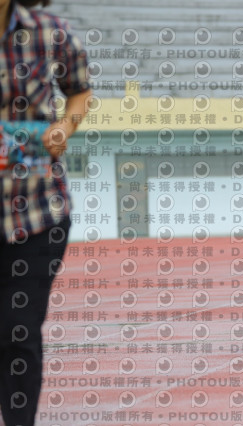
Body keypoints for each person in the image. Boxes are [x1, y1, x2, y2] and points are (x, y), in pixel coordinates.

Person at [0, 0, 91, 425]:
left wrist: (64, 127)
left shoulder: (50, 32)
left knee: (18, 328)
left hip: (37, 211)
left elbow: (79, 90)